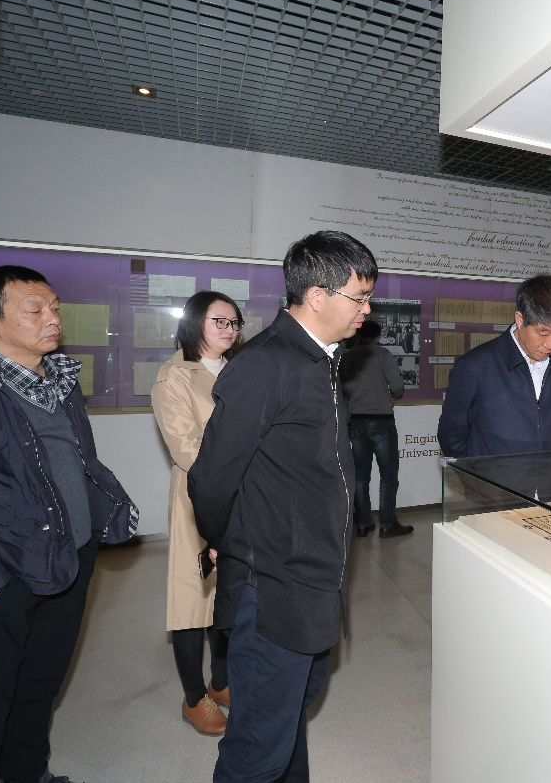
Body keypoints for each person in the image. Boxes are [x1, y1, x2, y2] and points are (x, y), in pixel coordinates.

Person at [188, 230, 377, 783]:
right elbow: (213, 477)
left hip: (313, 576)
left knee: (289, 718)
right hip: (273, 584)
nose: (366, 310)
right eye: (359, 297)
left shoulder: (320, 359)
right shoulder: (266, 363)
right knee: (258, 748)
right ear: (316, 296)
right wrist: (227, 542)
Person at [0, 265, 139, 783]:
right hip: (8, 567)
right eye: (34, 310)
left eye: (55, 307)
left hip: (71, 553)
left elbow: (77, 459)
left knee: (41, 684)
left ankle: (28, 773)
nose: (53, 318)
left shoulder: (60, 379)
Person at [151, 291, 244, 736]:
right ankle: (193, 697)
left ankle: (221, 680)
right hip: (199, 496)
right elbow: (185, 447)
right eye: (219, 321)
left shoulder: (239, 369)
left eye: (234, 322)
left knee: (229, 593)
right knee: (193, 597)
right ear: (194, 323)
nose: (229, 330)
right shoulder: (174, 376)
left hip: (243, 497)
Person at [438, 275, 551, 457]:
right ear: (520, 319)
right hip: (490, 475)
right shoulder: (475, 366)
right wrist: (479, 472)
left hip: (550, 473)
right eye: (543, 334)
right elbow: (452, 437)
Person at [340, 318, 413, 538]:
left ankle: (363, 523)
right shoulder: (383, 354)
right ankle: (388, 524)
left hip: (355, 421)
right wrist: (391, 394)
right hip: (381, 421)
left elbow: (343, 390)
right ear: (377, 337)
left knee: (360, 476)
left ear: (358, 334)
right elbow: (397, 387)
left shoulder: (347, 356)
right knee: (388, 475)